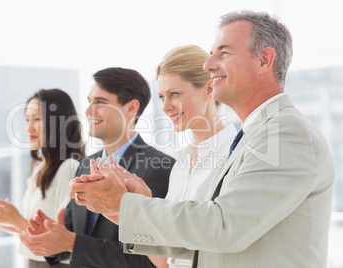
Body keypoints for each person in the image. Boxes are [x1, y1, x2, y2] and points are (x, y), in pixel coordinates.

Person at [70, 10, 335, 268]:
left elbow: (225, 226)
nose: (208, 65)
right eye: (210, 56)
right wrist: (125, 210)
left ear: (264, 60)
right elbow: (202, 245)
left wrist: (129, 205)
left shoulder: (287, 134)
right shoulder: (253, 136)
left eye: (224, 53)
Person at [19, 67, 176, 267]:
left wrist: (71, 243)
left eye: (100, 102)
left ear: (131, 108)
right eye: (89, 101)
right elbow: (71, 232)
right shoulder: (85, 165)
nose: (88, 111)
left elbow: (151, 259)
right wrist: (52, 237)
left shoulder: (159, 168)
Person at [148, 45, 236, 268]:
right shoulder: (181, 163)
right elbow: (170, 257)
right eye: (161, 97)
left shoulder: (235, 155)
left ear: (209, 88)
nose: (166, 106)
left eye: (174, 94)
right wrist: (121, 211)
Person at [0, 89, 85, 268]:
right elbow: (28, 228)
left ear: (59, 123)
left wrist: (16, 219)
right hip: (33, 262)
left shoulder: (70, 168)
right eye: (27, 119)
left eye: (37, 119)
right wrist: (4, 218)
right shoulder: (40, 167)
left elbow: (66, 239)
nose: (28, 128)